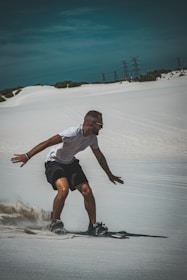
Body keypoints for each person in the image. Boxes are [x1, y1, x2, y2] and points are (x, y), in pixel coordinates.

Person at [11, 110, 124, 235]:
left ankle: (93, 226)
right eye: (100, 125)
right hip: (54, 162)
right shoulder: (72, 133)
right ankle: (54, 222)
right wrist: (28, 155)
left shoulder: (92, 138)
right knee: (64, 189)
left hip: (71, 163)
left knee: (87, 191)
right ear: (92, 124)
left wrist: (109, 173)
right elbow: (48, 142)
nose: (102, 128)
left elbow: (99, 156)